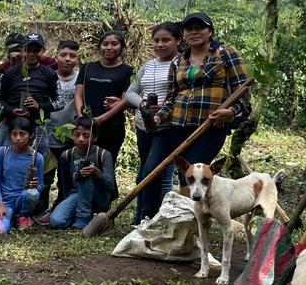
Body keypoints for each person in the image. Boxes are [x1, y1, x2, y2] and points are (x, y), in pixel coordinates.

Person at [153, 12, 252, 185]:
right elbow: (171, 98)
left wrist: (230, 112)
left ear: (210, 32)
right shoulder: (178, 61)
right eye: (189, 29)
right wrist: (158, 116)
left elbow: (243, 91)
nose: (194, 32)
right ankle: (189, 212)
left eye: (200, 28)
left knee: (198, 170)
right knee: (185, 174)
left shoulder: (225, 52)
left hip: (210, 126)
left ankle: (197, 210)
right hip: (179, 125)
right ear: (183, 35)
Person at [126, 22, 182, 223]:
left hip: (166, 127)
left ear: (178, 41)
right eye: (156, 40)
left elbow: (183, 95)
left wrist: (166, 108)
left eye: (166, 40)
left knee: (152, 171)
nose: (160, 44)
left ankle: (147, 217)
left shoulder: (182, 64)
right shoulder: (148, 65)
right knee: (144, 172)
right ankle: (139, 216)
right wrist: (142, 103)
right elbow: (131, 92)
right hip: (143, 125)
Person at [73, 30, 132, 162]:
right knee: (82, 165)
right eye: (105, 44)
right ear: (99, 46)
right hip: (85, 128)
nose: (109, 47)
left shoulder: (127, 71)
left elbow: (126, 100)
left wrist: (100, 120)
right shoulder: (87, 67)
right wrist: (81, 118)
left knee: (106, 166)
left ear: (122, 47)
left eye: (114, 44)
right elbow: (78, 94)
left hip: (112, 127)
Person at [48, 117, 117, 229]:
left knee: (86, 175)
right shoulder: (67, 155)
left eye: (86, 135)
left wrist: (96, 172)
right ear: (72, 135)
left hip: (99, 196)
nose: (81, 139)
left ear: (95, 138)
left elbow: (110, 187)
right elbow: (65, 184)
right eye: (77, 135)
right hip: (76, 194)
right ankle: (78, 216)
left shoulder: (104, 154)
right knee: (56, 221)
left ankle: (83, 219)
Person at [0, 33, 58, 152]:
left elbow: (60, 102)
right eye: (28, 50)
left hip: (39, 127)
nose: (32, 54)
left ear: (43, 51)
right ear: (22, 50)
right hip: (12, 127)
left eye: (36, 50)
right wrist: (11, 110)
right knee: (7, 160)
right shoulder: (9, 73)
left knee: (38, 163)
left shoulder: (50, 73)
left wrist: (39, 106)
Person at [40, 39, 81, 214]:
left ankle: (60, 208)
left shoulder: (81, 79)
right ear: (55, 56)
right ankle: (40, 209)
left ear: (77, 59)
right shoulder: (47, 76)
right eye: (63, 55)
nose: (67, 59)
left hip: (70, 136)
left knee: (66, 176)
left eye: (72, 56)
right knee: (45, 174)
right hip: (47, 133)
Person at [0, 117, 43, 235]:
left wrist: (35, 186)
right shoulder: (2, 152)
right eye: (14, 134)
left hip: (23, 199)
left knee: (32, 193)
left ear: (30, 135)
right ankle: (10, 216)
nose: (18, 138)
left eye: (22, 134)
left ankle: (23, 217)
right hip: (5, 202)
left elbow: (40, 185)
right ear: (9, 135)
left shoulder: (37, 157)